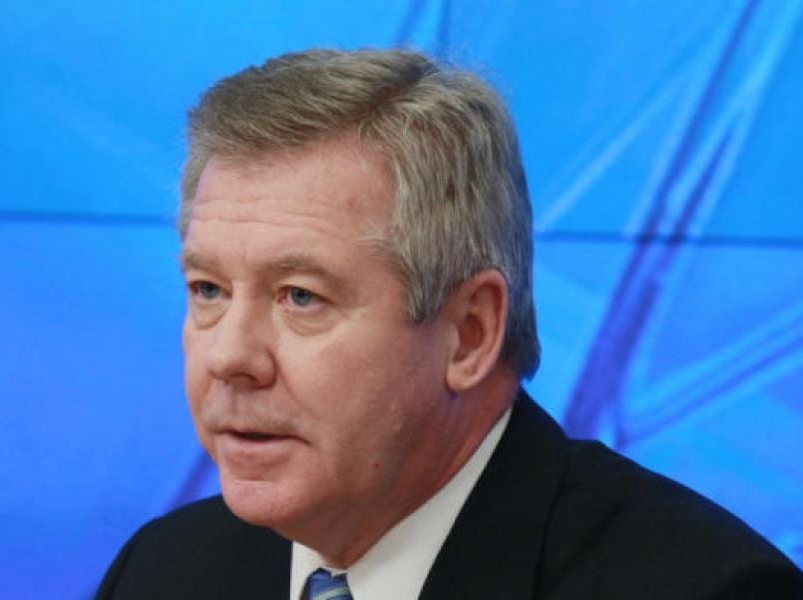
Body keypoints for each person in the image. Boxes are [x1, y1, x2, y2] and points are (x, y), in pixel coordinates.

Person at [96, 48, 802, 599]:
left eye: (300, 297)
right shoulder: (163, 574)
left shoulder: (707, 589)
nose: (229, 357)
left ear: (469, 333)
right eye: (209, 289)